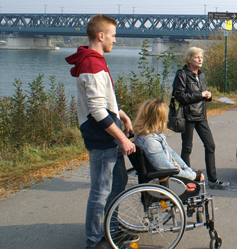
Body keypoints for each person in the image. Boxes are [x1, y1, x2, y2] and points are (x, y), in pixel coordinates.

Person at [66, 14, 138, 249]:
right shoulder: (92, 64)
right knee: (101, 190)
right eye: (113, 36)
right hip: (102, 137)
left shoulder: (95, 60)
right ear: (101, 36)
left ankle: (112, 228)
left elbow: (105, 100)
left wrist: (123, 115)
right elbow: (97, 110)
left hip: (109, 134)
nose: (115, 41)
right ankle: (94, 240)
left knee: (118, 182)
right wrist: (122, 139)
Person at [172, 47, 229, 189]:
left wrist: (209, 96)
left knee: (210, 145)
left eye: (201, 57)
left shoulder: (201, 75)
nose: (200, 60)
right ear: (189, 59)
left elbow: (202, 94)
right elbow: (180, 96)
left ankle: (213, 180)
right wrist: (200, 95)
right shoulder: (182, 74)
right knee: (187, 148)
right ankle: (188, 180)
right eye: (197, 57)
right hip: (188, 116)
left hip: (201, 116)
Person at [133, 98, 204, 198]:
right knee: (199, 183)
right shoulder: (151, 141)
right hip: (164, 182)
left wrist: (188, 170)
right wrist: (192, 176)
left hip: (168, 175)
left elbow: (172, 154)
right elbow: (165, 168)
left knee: (195, 175)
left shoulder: (149, 134)